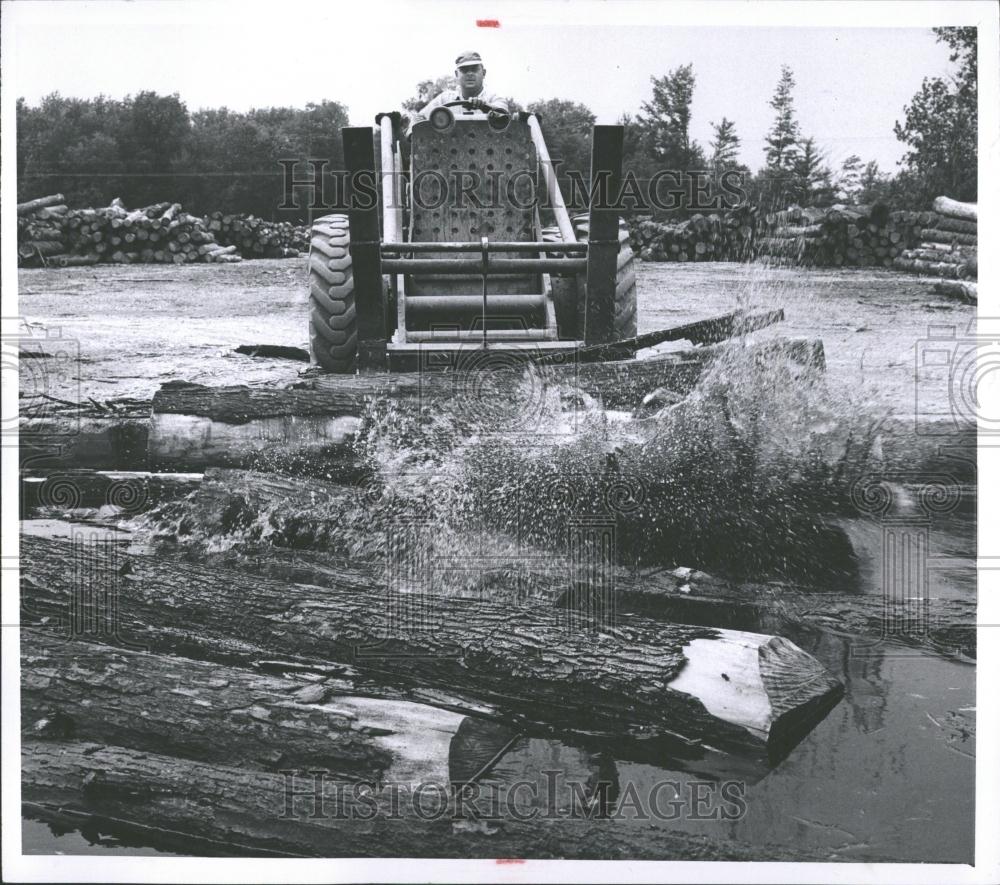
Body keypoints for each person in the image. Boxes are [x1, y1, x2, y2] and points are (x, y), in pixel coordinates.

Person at [406, 51, 510, 133]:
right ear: (457, 74)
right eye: (464, 70)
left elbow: (504, 116)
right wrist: (413, 135)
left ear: (483, 73)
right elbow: (419, 118)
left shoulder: (494, 98)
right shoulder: (445, 99)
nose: (470, 74)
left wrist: (484, 106)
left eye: (474, 69)